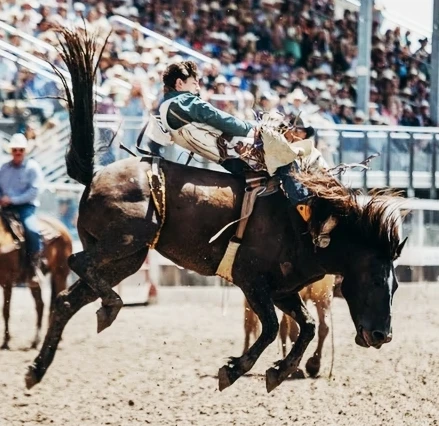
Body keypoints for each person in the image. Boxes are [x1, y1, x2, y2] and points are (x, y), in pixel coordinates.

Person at [152, 60, 317, 215]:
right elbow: (218, 117)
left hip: (226, 160)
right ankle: (305, 208)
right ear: (180, 83)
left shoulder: (163, 109)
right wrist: (251, 129)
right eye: (194, 83)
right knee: (286, 159)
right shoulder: (184, 100)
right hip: (237, 151)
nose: (197, 87)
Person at [0, 133, 44, 282]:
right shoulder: (3, 168)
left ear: (25, 151)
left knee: (31, 229)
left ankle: (34, 267)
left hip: (26, 207)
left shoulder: (33, 168)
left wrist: (12, 199)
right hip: (5, 207)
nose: (18, 152)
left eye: (20, 149)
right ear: (11, 151)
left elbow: (34, 191)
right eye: (15, 149)